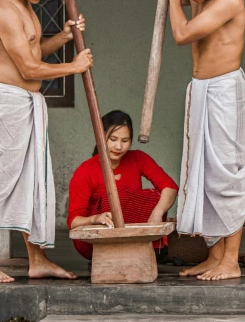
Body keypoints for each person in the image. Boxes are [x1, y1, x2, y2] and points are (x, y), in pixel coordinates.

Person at [0, 0, 93, 283]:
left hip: (28, 103)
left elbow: (32, 51)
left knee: (32, 182)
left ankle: (37, 260)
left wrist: (65, 37)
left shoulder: (26, 6)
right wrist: (74, 66)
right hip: (8, 103)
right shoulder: (5, 11)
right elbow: (27, 67)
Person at [155, 0, 245, 281]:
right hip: (201, 90)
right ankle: (214, 254)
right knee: (204, 173)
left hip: (225, 91)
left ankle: (232, 259)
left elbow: (181, 33)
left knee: (226, 172)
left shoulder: (229, 1)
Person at [67, 110, 178, 260]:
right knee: (112, 199)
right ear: (101, 136)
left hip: (132, 235)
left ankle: (143, 249)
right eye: (113, 139)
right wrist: (96, 218)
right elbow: (74, 221)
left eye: (125, 141)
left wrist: (157, 212)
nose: (119, 146)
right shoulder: (85, 171)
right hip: (95, 242)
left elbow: (170, 187)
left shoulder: (138, 158)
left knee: (155, 197)